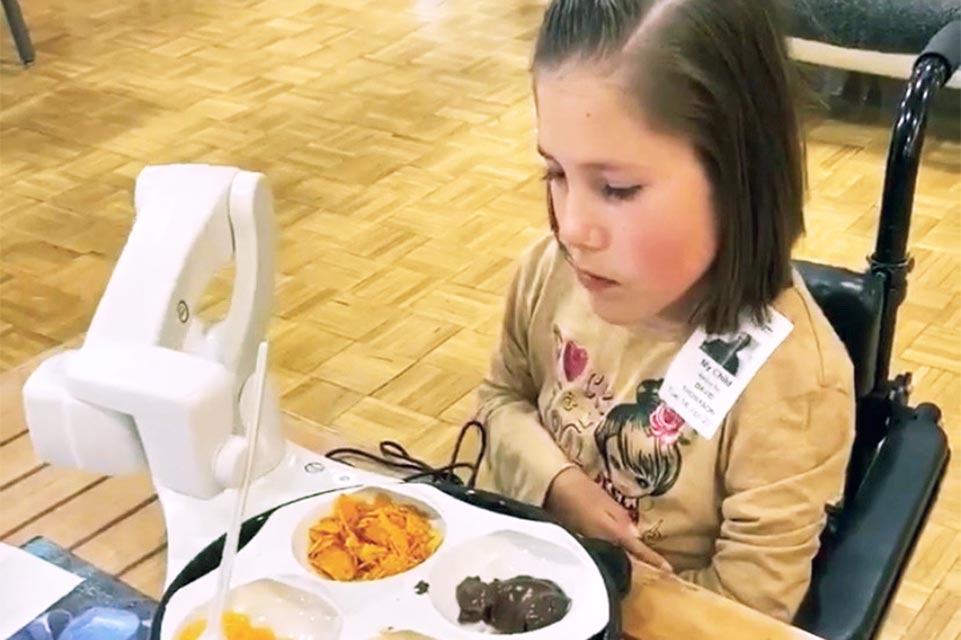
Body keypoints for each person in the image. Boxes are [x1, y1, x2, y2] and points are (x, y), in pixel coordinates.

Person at [473, 0, 856, 623]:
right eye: (555, 172)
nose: (572, 229)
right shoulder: (548, 273)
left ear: (739, 173)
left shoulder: (794, 388)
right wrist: (558, 485)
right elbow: (499, 398)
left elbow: (746, 615)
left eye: (617, 189)